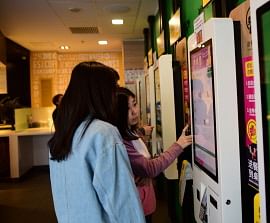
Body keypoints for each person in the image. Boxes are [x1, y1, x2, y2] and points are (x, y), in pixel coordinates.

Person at [48, 62, 145, 223]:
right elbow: (121, 201)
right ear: (100, 93)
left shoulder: (62, 136)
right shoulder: (103, 133)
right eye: (113, 88)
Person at [115, 87, 192, 223]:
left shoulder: (131, 133)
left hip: (144, 203)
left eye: (134, 104)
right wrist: (178, 145)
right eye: (127, 109)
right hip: (138, 207)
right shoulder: (122, 139)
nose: (134, 112)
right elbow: (150, 168)